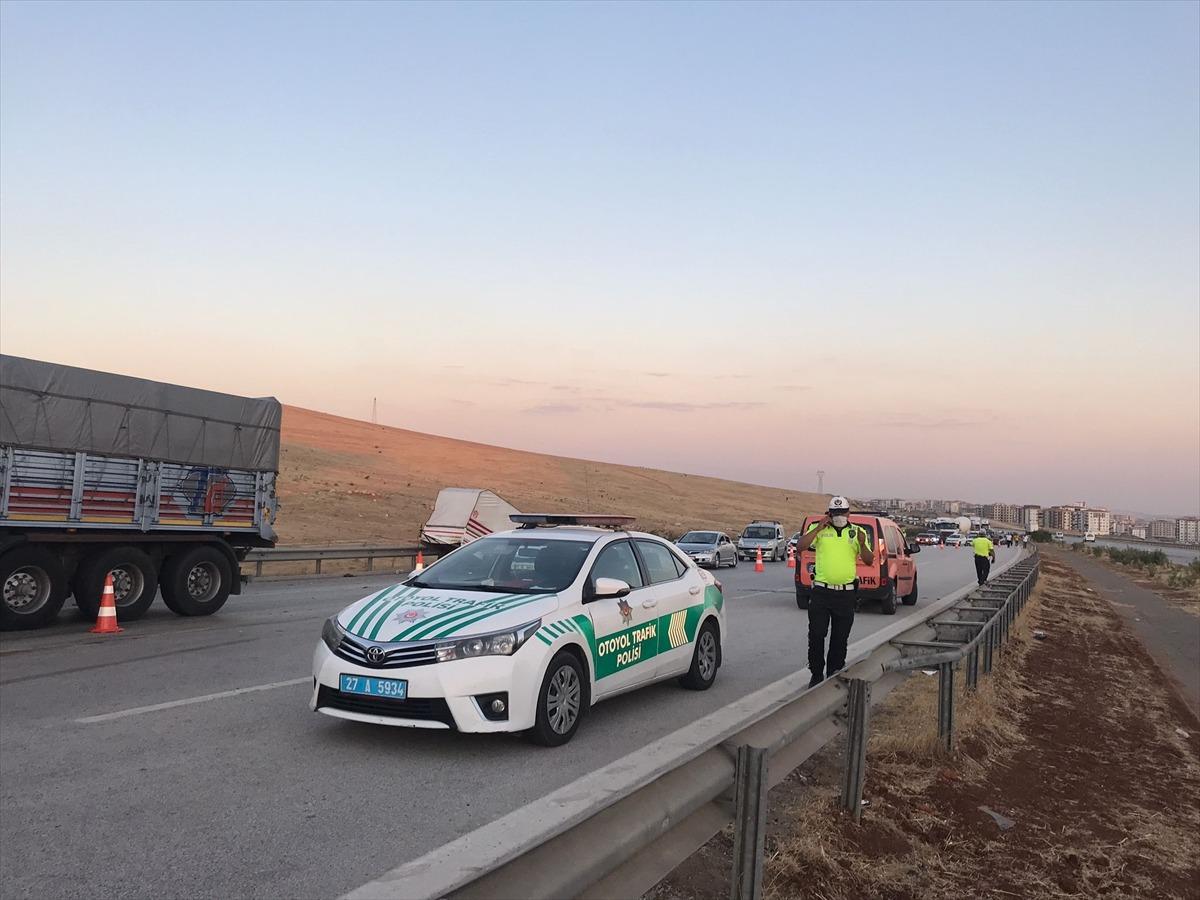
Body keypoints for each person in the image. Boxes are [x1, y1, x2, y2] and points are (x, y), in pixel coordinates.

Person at [797, 496, 874, 688]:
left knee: (840, 638)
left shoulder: (857, 532)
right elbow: (800, 546)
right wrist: (818, 529)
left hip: (845, 594)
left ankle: (834, 673)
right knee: (816, 634)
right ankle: (816, 674)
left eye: (841, 513)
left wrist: (863, 544)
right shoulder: (819, 529)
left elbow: (869, 560)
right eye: (834, 513)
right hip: (821, 592)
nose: (838, 516)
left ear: (848, 513)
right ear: (829, 514)